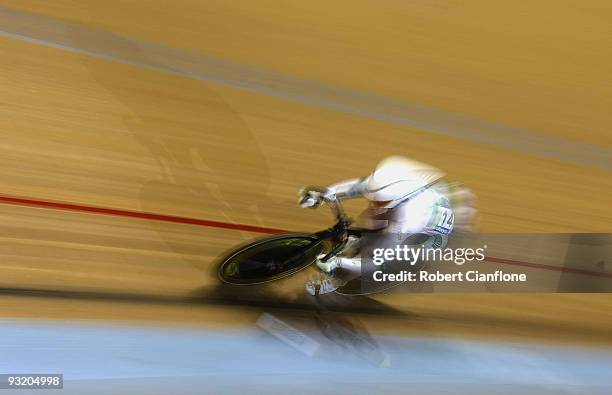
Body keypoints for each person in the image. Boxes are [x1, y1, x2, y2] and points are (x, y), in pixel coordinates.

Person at [298, 156, 476, 295]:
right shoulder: (390, 183)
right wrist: (324, 195)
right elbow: (358, 187)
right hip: (438, 195)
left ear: (399, 199)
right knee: (372, 221)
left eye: (382, 202)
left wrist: (339, 263)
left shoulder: (410, 219)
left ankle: (337, 281)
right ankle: (355, 247)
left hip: (443, 229)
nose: (375, 204)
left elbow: (378, 260)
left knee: (381, 247)